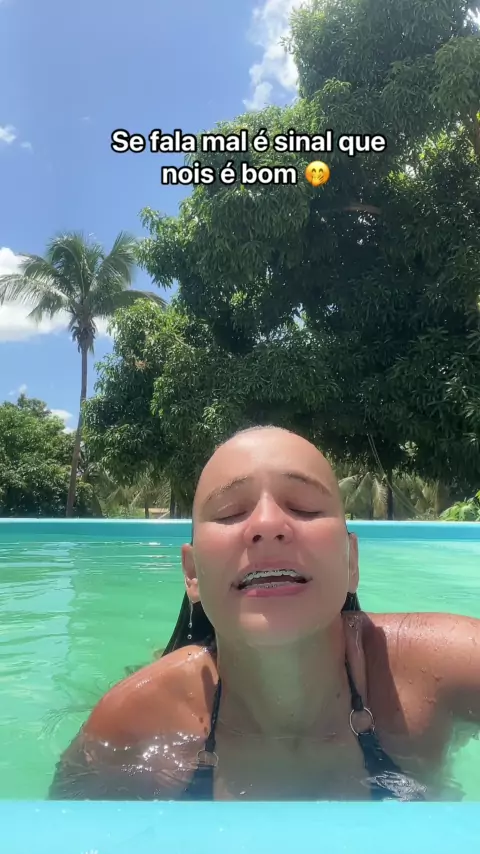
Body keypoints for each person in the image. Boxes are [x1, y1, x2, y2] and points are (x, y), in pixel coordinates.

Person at [49, 426, 480, 802]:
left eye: (305, 508)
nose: (268, 524)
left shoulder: (444, 666)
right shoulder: (132, 727)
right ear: (193, 574)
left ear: (351, 561)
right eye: (230, 512)